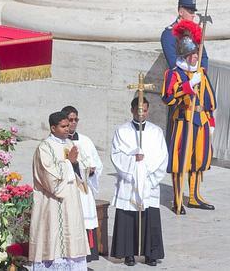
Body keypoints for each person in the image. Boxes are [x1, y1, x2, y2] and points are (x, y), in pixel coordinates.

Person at [161, 19, 217, 213]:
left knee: (198, 159)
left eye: (196, 54)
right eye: (193, 54)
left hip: (200, 122)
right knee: (180, 160)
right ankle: (177, 200)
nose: (195, 57)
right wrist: (188, 86)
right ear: (185, 55)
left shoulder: (200, 72)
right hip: (184, 121)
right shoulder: (174, 73)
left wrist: (211, 121)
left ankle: (194, 196)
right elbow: (168, 97)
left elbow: (209, 99)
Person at [28, 111, 90, 270]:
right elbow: (49, 177)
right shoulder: (44, 148)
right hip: (51, 203)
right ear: (53, 128)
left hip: (70, 201)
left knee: (71, 241)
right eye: (63, 126)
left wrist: (77, 165)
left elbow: (80, 171)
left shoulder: (70, 145)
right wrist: (69, 163)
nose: (67, 129)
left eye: (68, 126)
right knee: (52, 237)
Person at [110, 97, 167, 267]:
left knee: (149, 216)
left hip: (149, 181)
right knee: (129, 216)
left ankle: (150, 254)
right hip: (130, 182)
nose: (142, 113)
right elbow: (116, 155)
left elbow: (162, 156)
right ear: (132, 110)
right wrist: (134, 160)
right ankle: (128, 254)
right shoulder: (122, 131)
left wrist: (146, 170)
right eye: (138, 110)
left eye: (145, 110)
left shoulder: (156, 132)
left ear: (148, 110)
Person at [61, 106, 103, 262]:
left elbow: (97, 163)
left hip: (84, 189)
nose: (73, 123)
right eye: (70, 120)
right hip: (69, 190)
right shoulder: (59, 142)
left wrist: (92, 171)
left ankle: (86, 258)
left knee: (85, 223)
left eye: (75, 119)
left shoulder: (85, 140)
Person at [161, 0, 208, 70]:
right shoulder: (169, 34)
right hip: (181, 79)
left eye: (194, 12)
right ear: (181, 12)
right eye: (190, 12)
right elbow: (173, 63)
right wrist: (190, 81)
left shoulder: (195, 31)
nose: (193, 15)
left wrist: (201, 73)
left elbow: (203, 56)